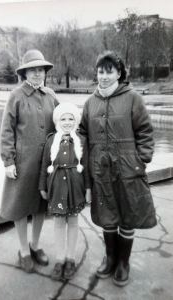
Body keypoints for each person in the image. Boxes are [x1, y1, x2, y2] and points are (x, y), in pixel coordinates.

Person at [79, 51, 157, 286]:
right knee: (107, 216)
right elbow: (82, 132)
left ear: (119, 73)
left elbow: (144, 130)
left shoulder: (133, 98)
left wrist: (141, 159)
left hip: (127, 169)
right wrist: (80, 158)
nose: (103, 76)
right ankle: (110, 258)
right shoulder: (90, 102)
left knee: (128, 216)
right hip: (100, 170)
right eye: (100, 71)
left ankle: (123, 262)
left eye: (109, 71)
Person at [0, 50, 59, 273]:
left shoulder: (51, 95)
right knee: (21, 206)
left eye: (41, 69)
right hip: (22, 164)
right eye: (33, 69)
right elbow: (6, 131)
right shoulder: (16, 96)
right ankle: (24, 250)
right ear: (24, 73)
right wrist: (8, 161)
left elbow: (64, 122)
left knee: (40, 206)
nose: (37, 73)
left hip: (47, 164)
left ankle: (35, 246)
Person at [39, 102, 91, 280]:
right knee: (59, 221)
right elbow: (44, 166)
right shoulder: (51, 140)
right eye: (63, 119)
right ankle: (60, 258)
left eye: (71, 119)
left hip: (75, 185)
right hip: (56, 185)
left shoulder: (82, 140)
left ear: (76, 121)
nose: (67, 122)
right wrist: (42, 187)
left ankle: (70, 258)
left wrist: (88, 188)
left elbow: (86, 166)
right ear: (57, 121)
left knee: (73, 221)